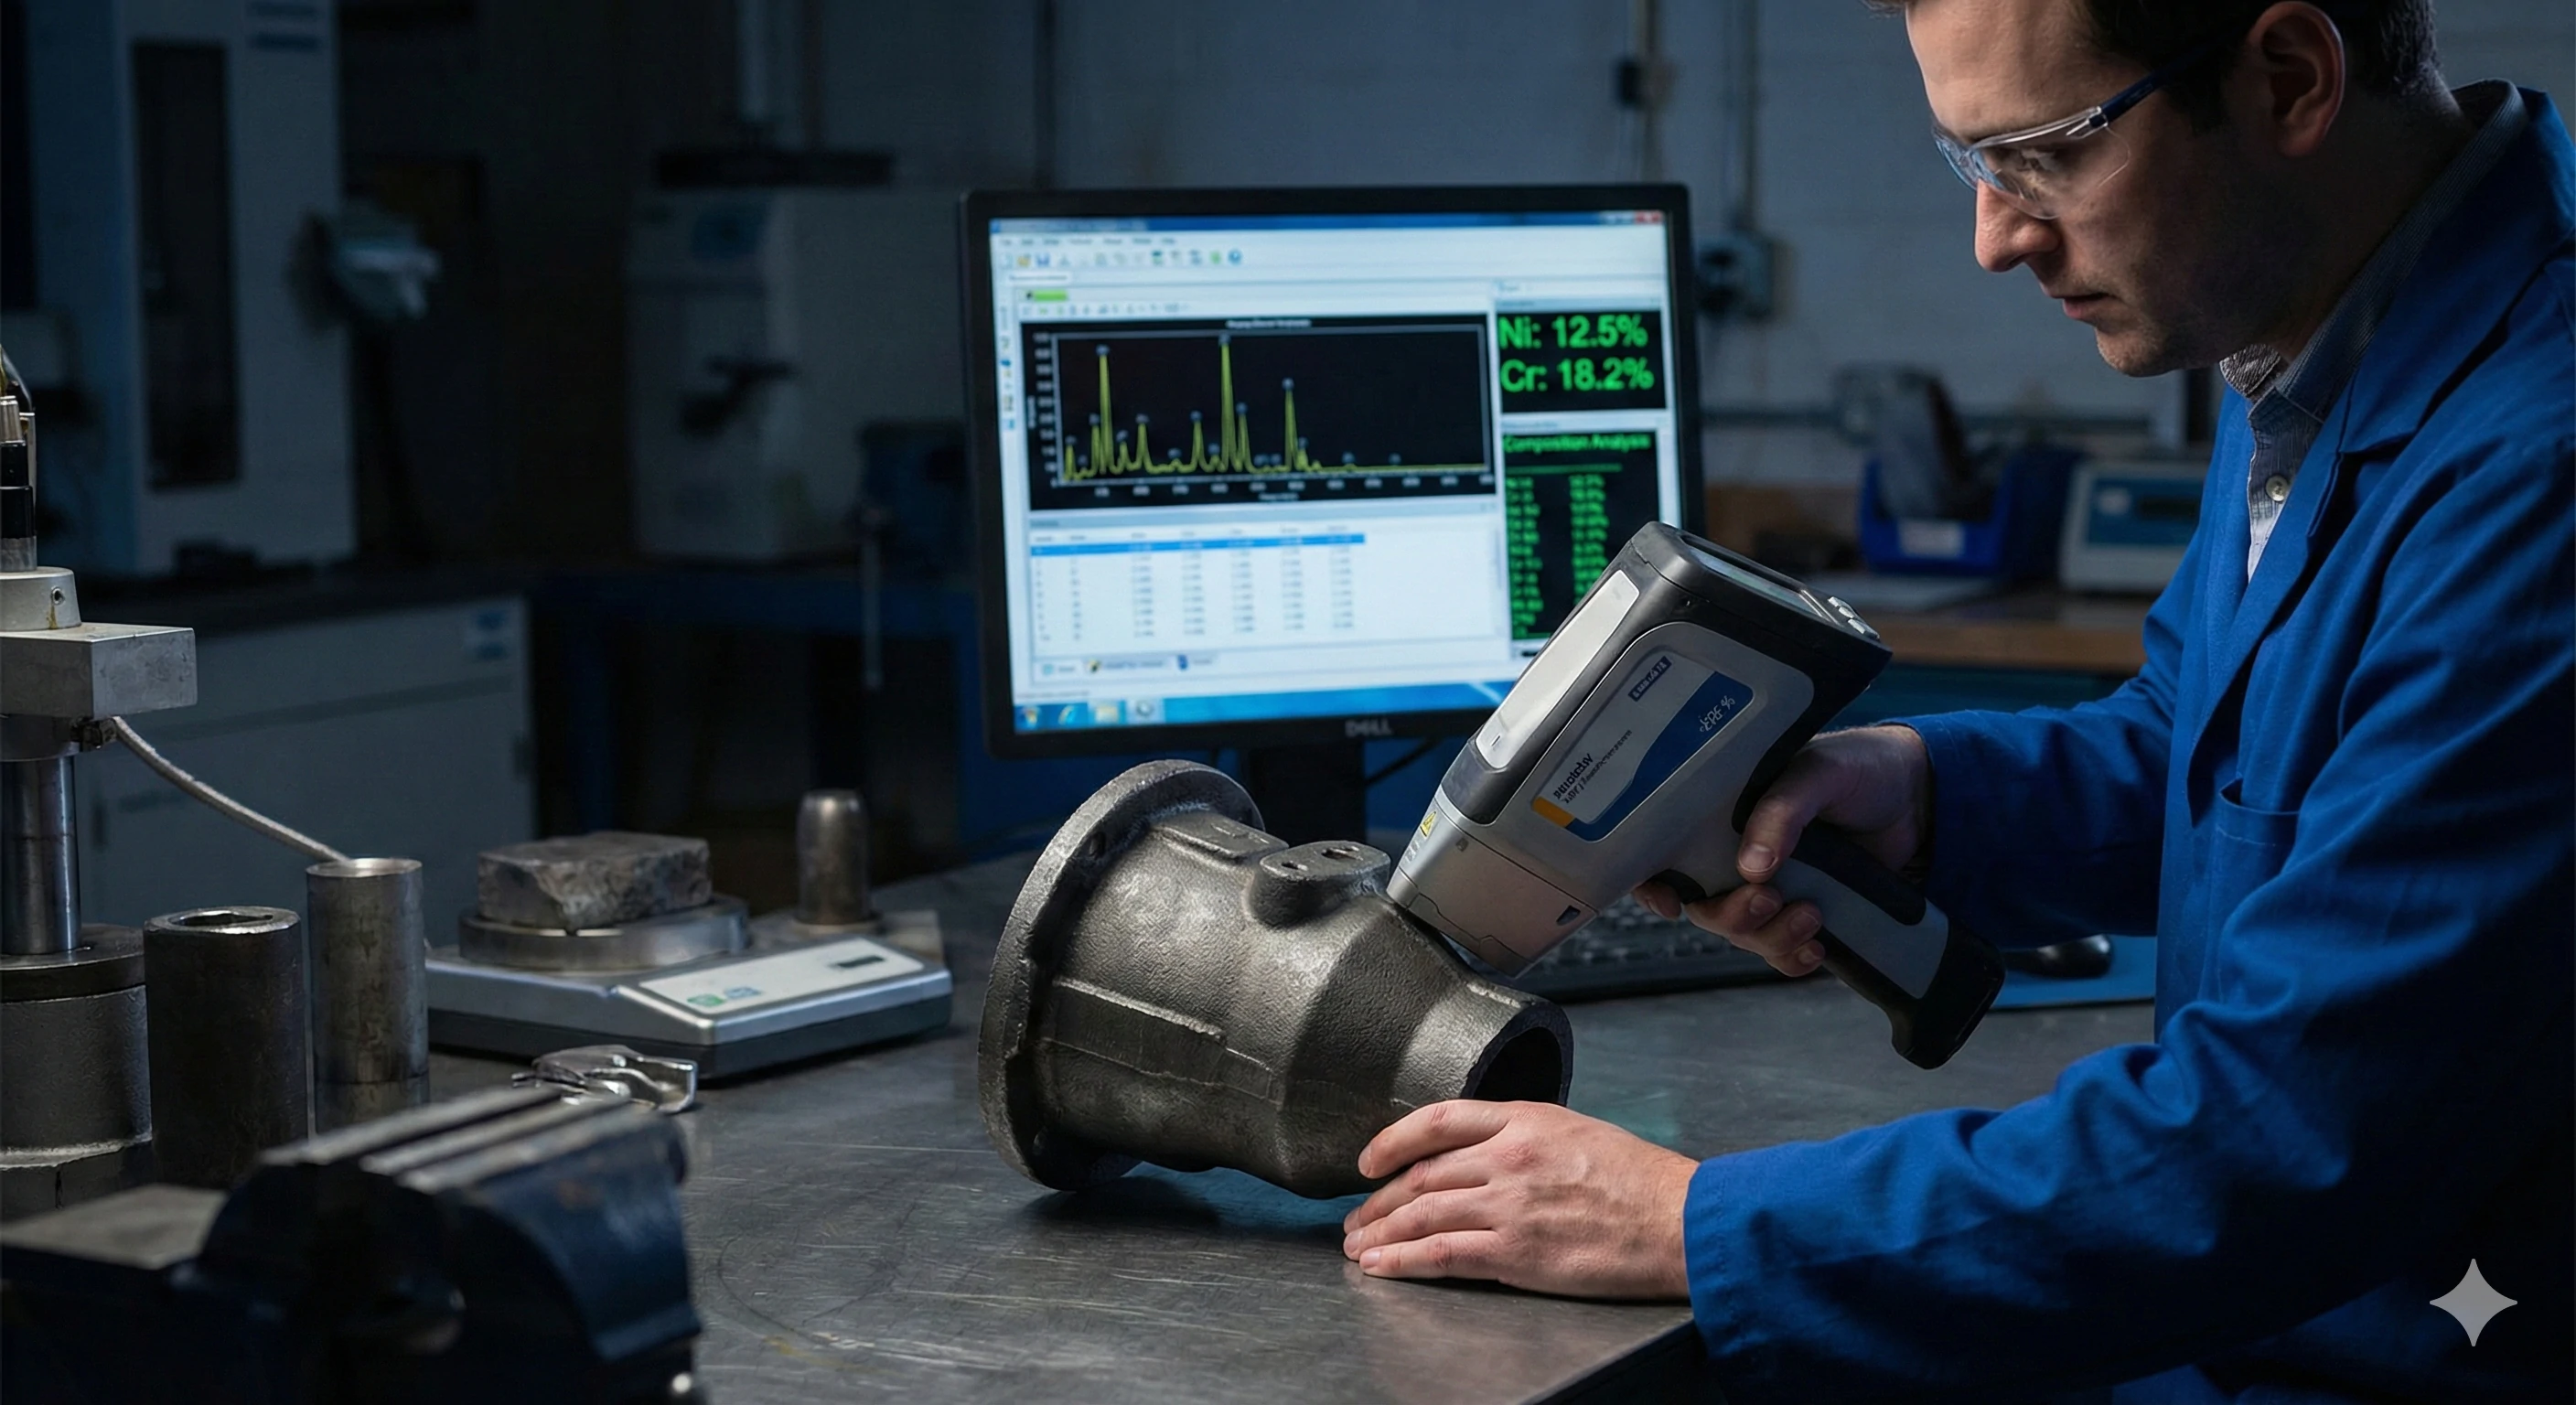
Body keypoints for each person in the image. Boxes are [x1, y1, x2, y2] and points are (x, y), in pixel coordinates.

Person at [1339, 1, 2573, 1400]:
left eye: (2045, 156)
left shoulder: (2537, 460)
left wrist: (1687, 1222)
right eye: (1968, 165)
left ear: (2289, 80)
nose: (1995, 238)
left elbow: (2295, 1136)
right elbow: (2203, 741)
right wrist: (1924, 796)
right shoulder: (2316, 311)